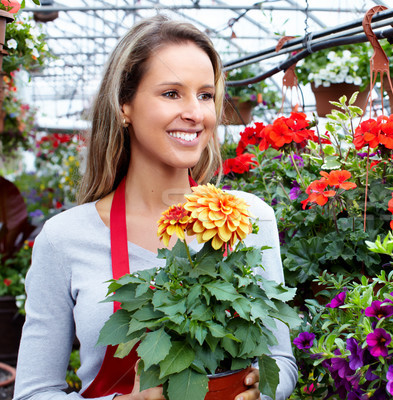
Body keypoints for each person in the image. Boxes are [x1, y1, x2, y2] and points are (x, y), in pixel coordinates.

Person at [14, 14, 297, 400]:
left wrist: (259, 391)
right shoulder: (64, 239)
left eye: (206, 94)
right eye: (171, 94)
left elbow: (280, 361)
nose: (196, 114)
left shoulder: (248, 218)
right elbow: (33, 392)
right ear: (123, 107)